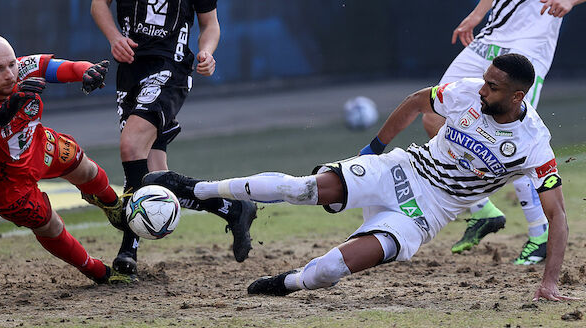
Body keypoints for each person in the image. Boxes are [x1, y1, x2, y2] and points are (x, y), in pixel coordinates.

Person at [145, 54, 575, 302]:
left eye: (494, 88)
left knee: (330, 270)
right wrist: (374, 150)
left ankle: (286, 283)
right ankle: (191, 188)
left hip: (427, 215)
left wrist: (549, 282)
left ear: (518, 96)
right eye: (484, 82)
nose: (482, 91)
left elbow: (557, 217)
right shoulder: (466, 92)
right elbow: (414, 103)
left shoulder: (533, 144)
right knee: (303, 188)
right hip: (404, 170)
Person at [91, 0, 257, 276]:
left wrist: (206, 52)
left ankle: (128, 249)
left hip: (171, 67)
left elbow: (210, 24)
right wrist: (115, 38)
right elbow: (98, 4)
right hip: (130, 70)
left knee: (131, 147)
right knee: (155, 176)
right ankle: (232, 208)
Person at [0, 34, 133, 285]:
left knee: (86, 169)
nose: (9, 74)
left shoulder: (20, 69)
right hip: (1, 182)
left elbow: (58, 67)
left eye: (11, 64)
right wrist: (4, 113)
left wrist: (86, 71)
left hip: (35, 145)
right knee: (50, 224)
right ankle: (96, 271)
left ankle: (115, 207)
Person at [422, 0, 584, 263]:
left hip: (529, 45)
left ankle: (539, 232)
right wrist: (477, 14)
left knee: (516, 142)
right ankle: (482, 209)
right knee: (433, 113)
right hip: (490, 38)